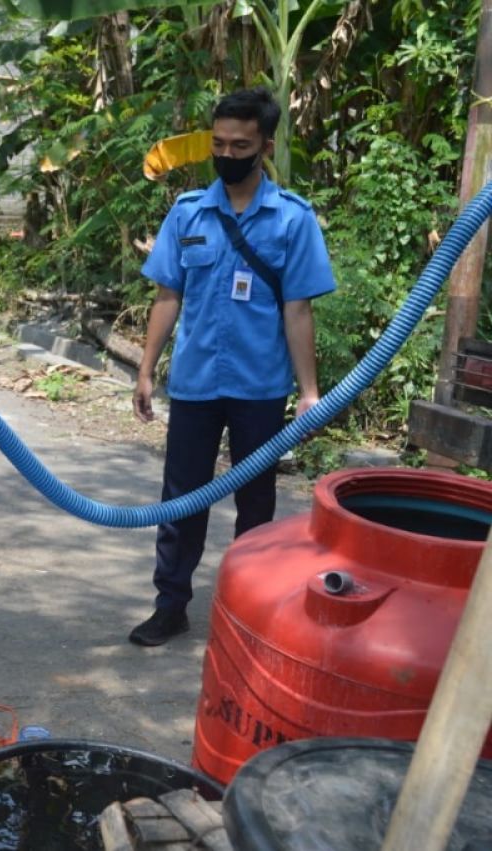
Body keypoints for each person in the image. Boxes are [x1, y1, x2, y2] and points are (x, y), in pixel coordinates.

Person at [129, 87, 336, 646]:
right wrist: (147, 369)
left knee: (256, 505)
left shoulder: (291, 219)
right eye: (218, 143)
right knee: (181, 499)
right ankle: (170, 604)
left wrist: (310, 391)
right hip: (195, 383)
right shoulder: (188, 213)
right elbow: (167, 296)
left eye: (240, 144)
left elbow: (298, 310)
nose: (227, 152)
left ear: (264, 146)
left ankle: (247, 611)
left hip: (259, 386)